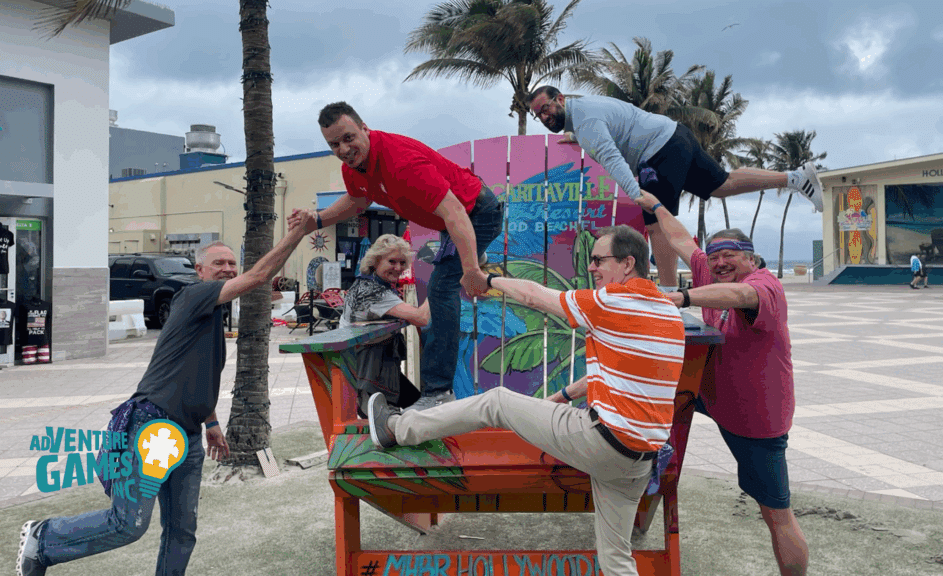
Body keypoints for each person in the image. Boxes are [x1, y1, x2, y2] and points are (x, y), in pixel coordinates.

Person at [367, 225, 686, 576]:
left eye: (599, 260)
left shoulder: (614, 301)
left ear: (627, 264)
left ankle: (396, 428)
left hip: (604, 443)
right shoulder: (668, 313)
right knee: (616, 558)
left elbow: (535, 296)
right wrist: (559, 397)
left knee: (497, 401)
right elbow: (611, 375)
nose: (591, 267)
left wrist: (486, 281)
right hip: (640, 460)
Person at [16, 219, 312, 576]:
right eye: (219, 263)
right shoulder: (193, 294)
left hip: (187, 436)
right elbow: (258, 277)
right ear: (199, 270)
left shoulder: (210, 314)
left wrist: (212, 422)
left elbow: (195, 375)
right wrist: (298, 232)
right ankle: (43, 536)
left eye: (232, 264)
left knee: (182, 532)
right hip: (152, 426)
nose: (229, 269)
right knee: (127, 524)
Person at [631, 191, 808, 576]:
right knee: (653, 425)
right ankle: (640, 518)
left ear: (751, 258)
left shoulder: (765, 286)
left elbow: (741, 295)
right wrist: (655, 205)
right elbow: (680, 240)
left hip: (756, 416)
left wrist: (677, 297)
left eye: (730, 255)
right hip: (707, 393)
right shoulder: (709, 271)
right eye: (714, 257)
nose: (720, 262)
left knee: (776, 513)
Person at [288, 102, 502, 410]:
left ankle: (438, 392)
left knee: (442, 290)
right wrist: (318, 221)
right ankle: (431, 389)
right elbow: (358, 200)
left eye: (349, 138)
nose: (344, 149)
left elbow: (455, 212)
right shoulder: (355, 169)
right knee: (441, 290)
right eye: (334, 144)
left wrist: (470, 271)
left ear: (365, 129)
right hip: (451, 225)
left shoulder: (401, 163)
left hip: (476, 213)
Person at [526, 85, 824, 293]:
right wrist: (575, 135)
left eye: (546, 108)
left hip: (658, 154)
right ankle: (795, 178)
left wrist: (636, 192)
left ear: (560, 99)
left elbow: (611, 157)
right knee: (722, 184)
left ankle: (668, 295)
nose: (544, 117)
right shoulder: (586, 112)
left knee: (655, 223)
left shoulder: (587, 123)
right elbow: (612, 130)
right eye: (538, 114)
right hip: (676, 135)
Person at [340, 234, 429, 413]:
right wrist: (439, 284)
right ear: (375, 261)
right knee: (413, 414)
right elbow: (421, 318)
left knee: (417, 408)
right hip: (366, 374)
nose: (398, 268)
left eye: (403, 263)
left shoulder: (367, 284)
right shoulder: (371, 292)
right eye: (392, 261)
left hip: (370, 367)